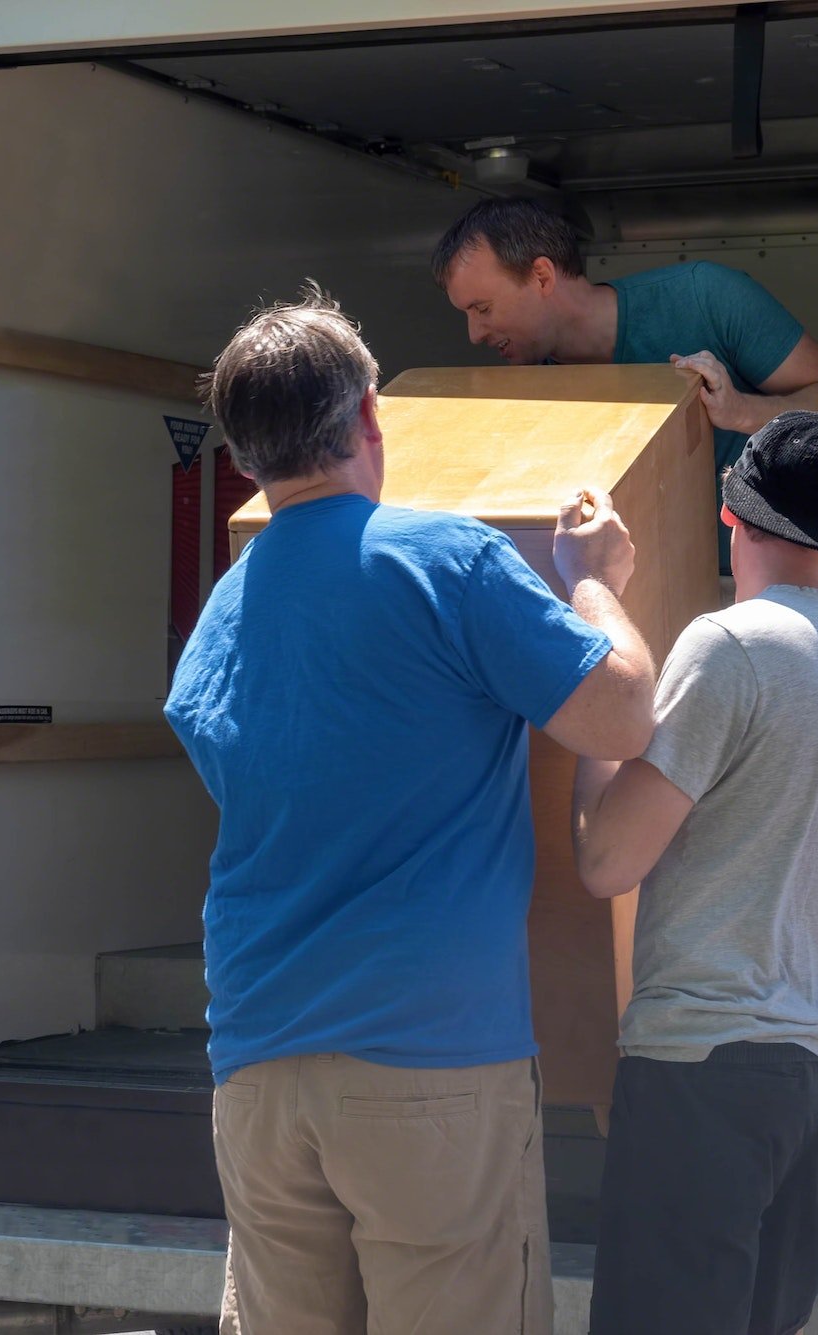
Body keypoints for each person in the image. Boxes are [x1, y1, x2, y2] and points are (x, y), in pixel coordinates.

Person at [164, 288, 658, 1335]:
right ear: (367, 419)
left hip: (257, 1066)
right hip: (428, 1060)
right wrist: (595, 581)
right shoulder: (447, 561)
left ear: (247, 459)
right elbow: (618, 716)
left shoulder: (225, 609)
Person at [568, 411, 818, 1335]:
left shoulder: (733, 647)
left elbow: (606, 859)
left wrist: (601, 680)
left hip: (709, 1073)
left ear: (732, 509)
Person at [432, 198, 818, 634]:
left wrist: (742, 411)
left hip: (804, 578)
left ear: (542, 276)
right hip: (659, 597)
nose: (474, 334)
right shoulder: (524, 390)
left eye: (483, 308)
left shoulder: (704, 296)